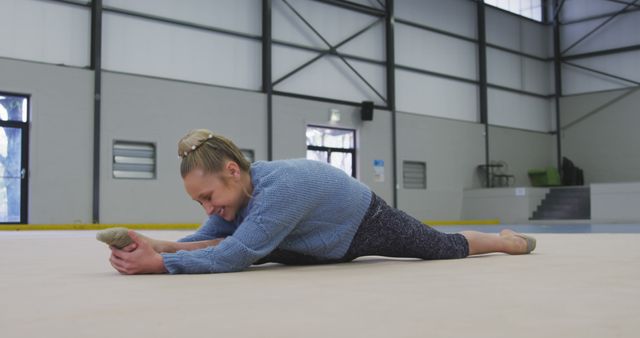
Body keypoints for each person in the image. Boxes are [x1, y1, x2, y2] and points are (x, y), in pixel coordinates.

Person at [107, 129, 536, 275]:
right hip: (308, 240)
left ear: (234, 172)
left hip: (363, 221)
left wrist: (162, 264)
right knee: (249, 244)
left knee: (440, 249)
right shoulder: (237, 198)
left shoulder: (282, 190)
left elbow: (232, 255)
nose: (207, 207)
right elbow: (210, 238)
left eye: (208, 196)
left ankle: (502, 241)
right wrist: (160, 247)